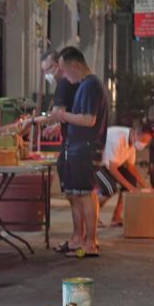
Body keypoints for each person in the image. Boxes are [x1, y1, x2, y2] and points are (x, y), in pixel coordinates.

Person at [46, 46, 107, 258]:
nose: (63, 75)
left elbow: (89, 120)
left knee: (84, 194)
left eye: (63, 70)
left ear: (75, 65)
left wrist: (63, 116)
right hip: (77, 147)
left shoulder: (90, 85)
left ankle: (89, 242)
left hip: (85, 148)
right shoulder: (84, 85)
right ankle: (78, 238)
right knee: (76, 194)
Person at [95, 125, 154, 226]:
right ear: (135, 133)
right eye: (143, 140)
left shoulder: (132, 143)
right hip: (97, 164)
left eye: (146, 142)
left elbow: (131, 167)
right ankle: (92, 215)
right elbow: (113, 170)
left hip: (111, 164)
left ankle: (116, 217)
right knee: (109, 189)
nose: (143, 144)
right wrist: (131, 189)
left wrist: (146, 186)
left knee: (131, 181)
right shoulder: (117, 139)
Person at [40, 50, 79, 144]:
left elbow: (55, 115)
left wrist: (32, 121)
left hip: (74, 142)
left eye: (47, 70)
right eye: (44, 72)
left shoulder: (64, 83)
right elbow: (71, 113)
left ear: (56, 65)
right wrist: (58, 127)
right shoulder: (67, 82)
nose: (46, 75)